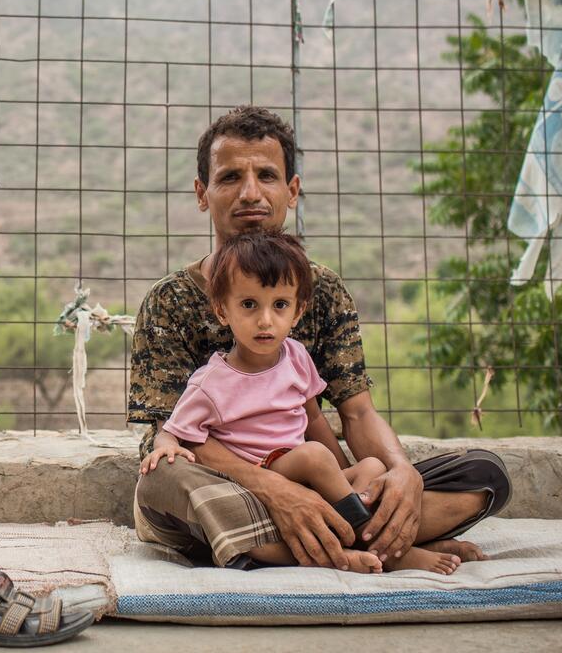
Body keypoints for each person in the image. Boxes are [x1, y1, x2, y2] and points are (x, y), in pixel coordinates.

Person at [130, 106, 512, 571]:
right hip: (224, 486)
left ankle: (323, 538)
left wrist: (402, 473)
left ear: (291, 191)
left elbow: (357, 411)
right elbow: (172, 435)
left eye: (267, 175)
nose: (250, 193)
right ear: (202, 193)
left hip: (314, 480)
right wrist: (276, 490)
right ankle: (377, 545)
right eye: (230, 177)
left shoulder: (323, 290)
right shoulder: (169, 300)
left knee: (483, 475)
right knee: (161, 480)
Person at [141, 229, 459, 574]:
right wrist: (164, 445)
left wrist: (340, 478)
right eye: (249, 305)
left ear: (297, 311)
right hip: (256, 480)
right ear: (222, 310)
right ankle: (371, 547)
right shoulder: (211, 382)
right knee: (312, 456)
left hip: (307, 476)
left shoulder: (296, 357)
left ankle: (348, 527)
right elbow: (178, 432)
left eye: (279, 305)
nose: (265, 320)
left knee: (372, 468)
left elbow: (314, 420)